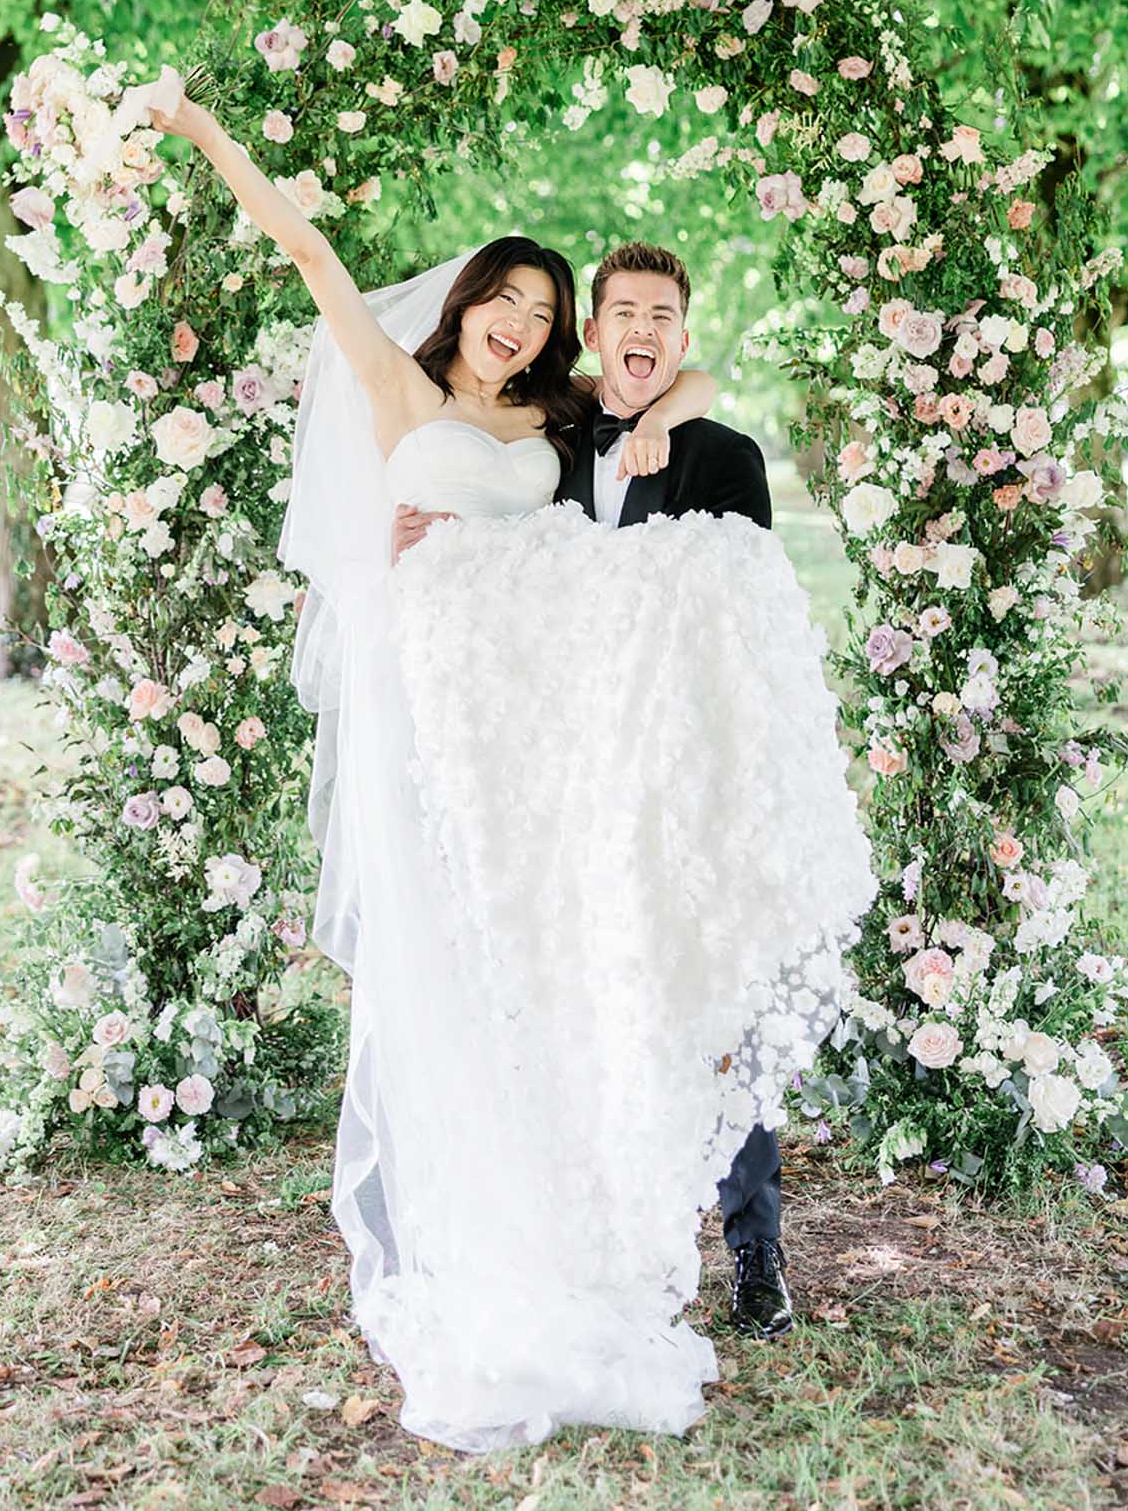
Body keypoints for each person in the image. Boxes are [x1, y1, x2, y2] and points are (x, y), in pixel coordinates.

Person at [146, 80, 879, 1453]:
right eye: (517, 306)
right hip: (460, 724)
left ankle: (682, 1232)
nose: (525, 329)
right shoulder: (429, 394)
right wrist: (197, 132)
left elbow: (683, 388)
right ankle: (496, 1226)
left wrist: (681, 397)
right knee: (485, 978)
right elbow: (306, 250)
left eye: (547, 318)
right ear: (478, 301)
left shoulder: (586, 424)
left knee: (614, 971)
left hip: (578, 744)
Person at [396, 242, 794, 1339]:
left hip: (686, 785)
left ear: (681, 334)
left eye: (663, 315)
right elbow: (505, 583)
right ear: (595, 331)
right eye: (623, 310)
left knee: (720, 1018)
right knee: (595, 1009)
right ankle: (610, 1237)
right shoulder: (555, 443)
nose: (644, 329)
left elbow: (735, 627)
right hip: (578, 790)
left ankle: (755, 1248)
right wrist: (417, 536)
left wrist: (689, 403)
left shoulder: (724, 455)